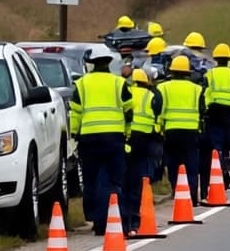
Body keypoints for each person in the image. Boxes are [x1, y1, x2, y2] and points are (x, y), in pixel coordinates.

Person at [69, 48, 132, 234]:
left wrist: (73, 135)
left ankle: (96, 220)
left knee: (91, 180)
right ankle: (113, 218)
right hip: (114, 137)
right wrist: (127, 134)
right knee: (113, 180)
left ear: (92, 63)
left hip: (89, 138)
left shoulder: (81, 84)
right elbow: (128, 110)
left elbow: (75, 112)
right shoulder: (118, 83)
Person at [201, 43, 230, 195]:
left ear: (215, 59)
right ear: (228, 59)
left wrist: (203, 111)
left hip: (214, 112)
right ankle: (228, 163)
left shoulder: (210, 74)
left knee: (216, 143)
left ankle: (220, 166)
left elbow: (203, 93)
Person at [122, 66, 162, 234]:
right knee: (139, 181)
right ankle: (135, 219)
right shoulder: (151, 95)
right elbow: (157, 118)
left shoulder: (126, 92)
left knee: (124, 180)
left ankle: (124, 219)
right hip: (144, 141)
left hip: (127, 139)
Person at [158, 55, 204, 200]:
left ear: (172, 71)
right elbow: (202, 109)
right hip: (191, 131)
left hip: (170, 130)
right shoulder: (196, 89)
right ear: (187, 72)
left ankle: (175, 190)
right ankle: (192, 194)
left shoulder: (162, 88)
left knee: (173, 163)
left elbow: (157, 108)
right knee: (191, 163)